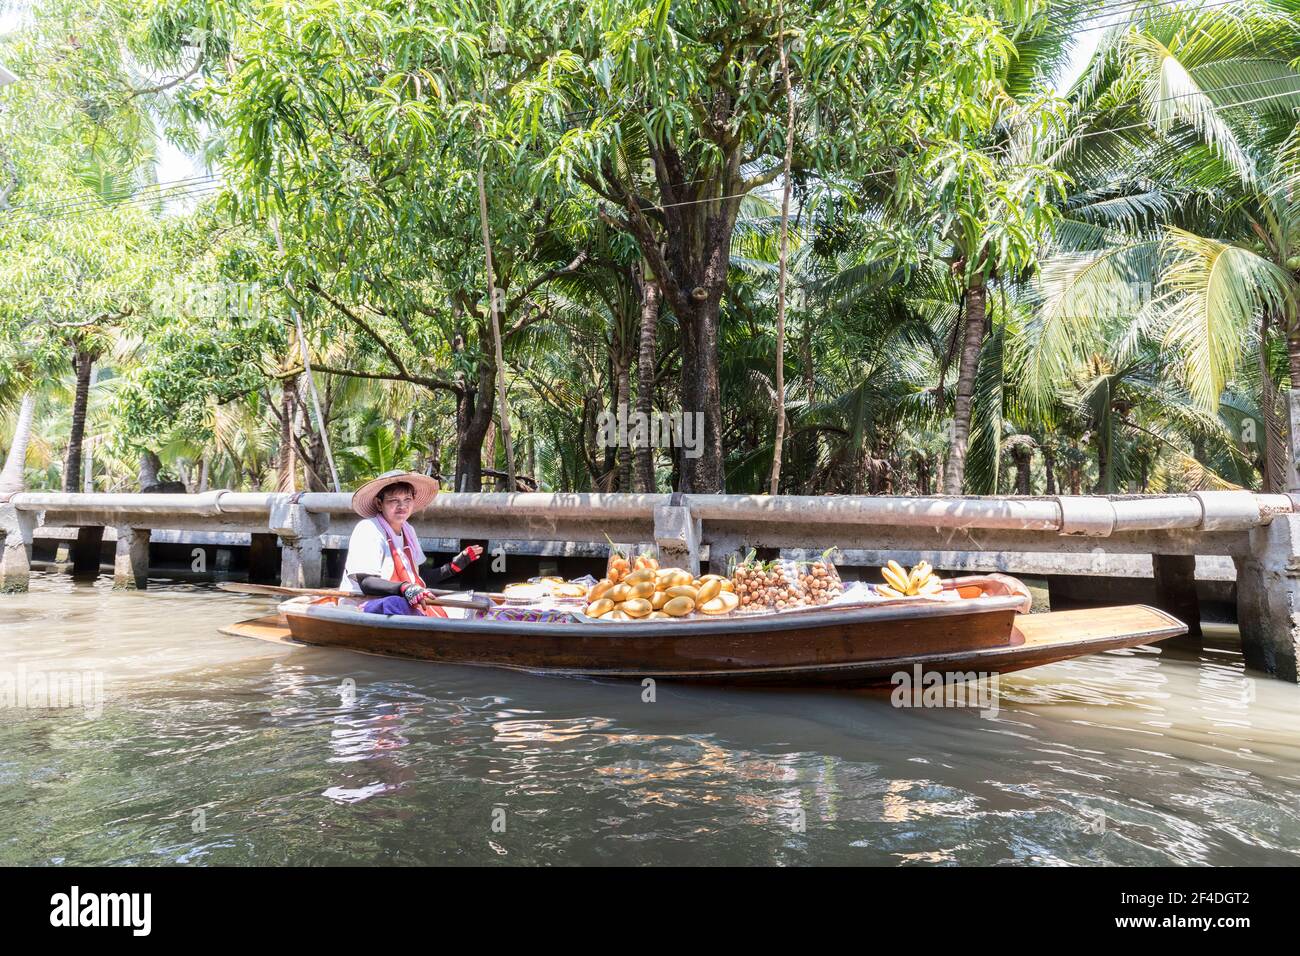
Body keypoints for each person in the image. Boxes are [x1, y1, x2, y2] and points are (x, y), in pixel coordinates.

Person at [339, 470, 483, 616]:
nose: (402, 506)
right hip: (364, 605)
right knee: (396, 603)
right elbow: (366, 582)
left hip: (400, 599)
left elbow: (416, 579)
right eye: (394, 500)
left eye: (407, 499)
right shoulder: (368, 529)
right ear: (379, 503)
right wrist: (405, 588)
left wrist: (452, 568)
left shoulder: (408, 530)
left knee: (478, 601)